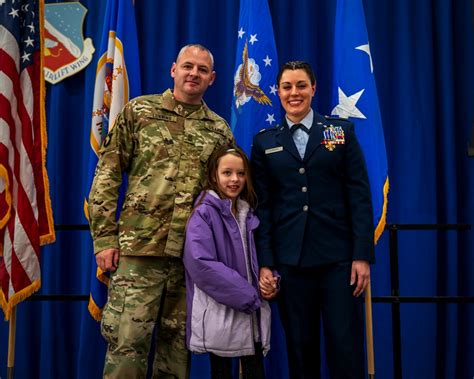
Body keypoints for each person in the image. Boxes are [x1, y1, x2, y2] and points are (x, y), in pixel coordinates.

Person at [88, 44, 234, 379]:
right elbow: (107, 175)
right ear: (173, 69)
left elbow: (226, 194)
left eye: (201, 69)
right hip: (138, 253)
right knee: (127, 348)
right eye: (187, 66)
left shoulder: (219, 129)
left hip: (191, 260)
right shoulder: (139, 112)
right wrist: (105, 238)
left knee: (177, 356)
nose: (193, 73)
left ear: (212, 78)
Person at [250, 61, 375, 379]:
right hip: (291, 260)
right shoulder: (265, 141)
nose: (294, 93)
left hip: (338, 259)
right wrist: (265, 262)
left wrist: (361, 254)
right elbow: (262, 207)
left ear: (313, 89)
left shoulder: (339, 131)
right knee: (300, 348)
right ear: (277, 92)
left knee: (345, 347)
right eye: (287, 87)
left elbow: (359, 195)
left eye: (301, 85)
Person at [183, 145, 277, 379]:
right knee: (222, 372)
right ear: (214, 175)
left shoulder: (248, 213)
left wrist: (270, 280)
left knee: (256, 371)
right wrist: (247, 294)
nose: (235, 179)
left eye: (241, 173)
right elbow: (201, 264)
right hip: (221, 313)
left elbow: (258, 258)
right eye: (227, 173)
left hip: (251, 314)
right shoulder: (204, 213)